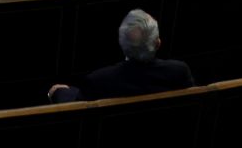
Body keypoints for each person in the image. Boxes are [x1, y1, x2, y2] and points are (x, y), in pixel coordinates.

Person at [47, 9, 193, 103]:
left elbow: (77, 105)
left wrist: (59, 91)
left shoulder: (99, 80)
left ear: (121, 44)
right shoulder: (179, 71)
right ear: (158, 43)